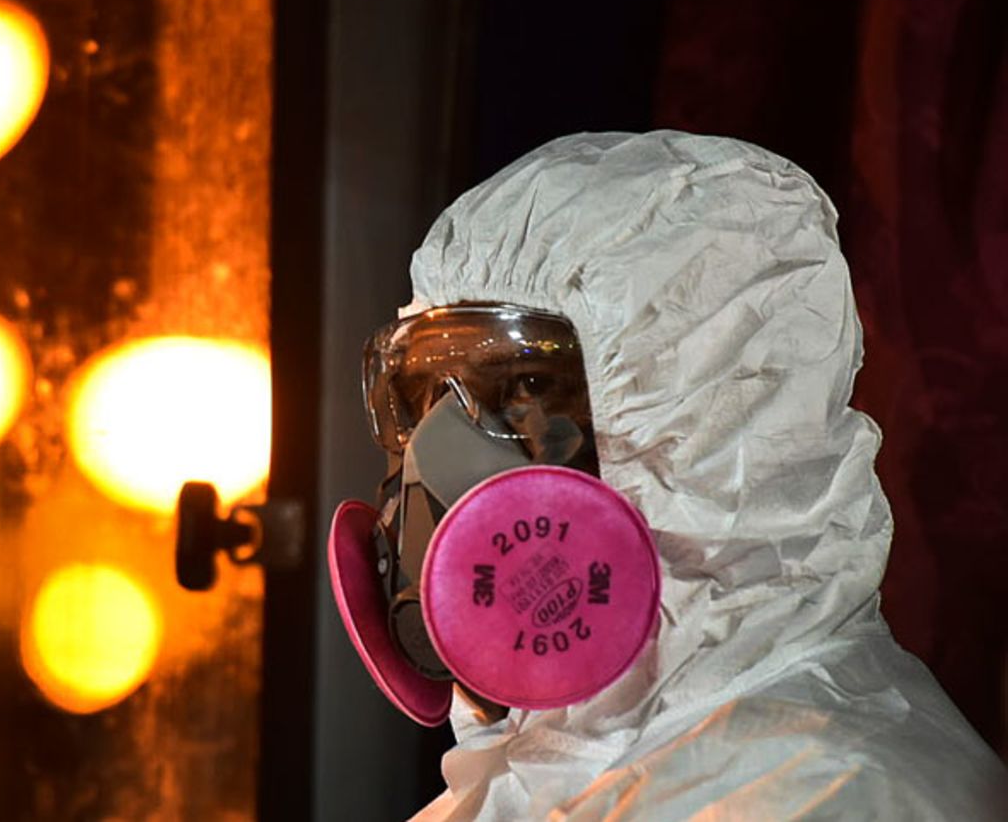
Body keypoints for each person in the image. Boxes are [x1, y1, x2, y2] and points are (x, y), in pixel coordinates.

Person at [340, 132, 1007, 820]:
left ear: (724, 418)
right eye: (427, 395)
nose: (438, 451)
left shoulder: (852, 798)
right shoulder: (531, 774)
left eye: (527, 385)